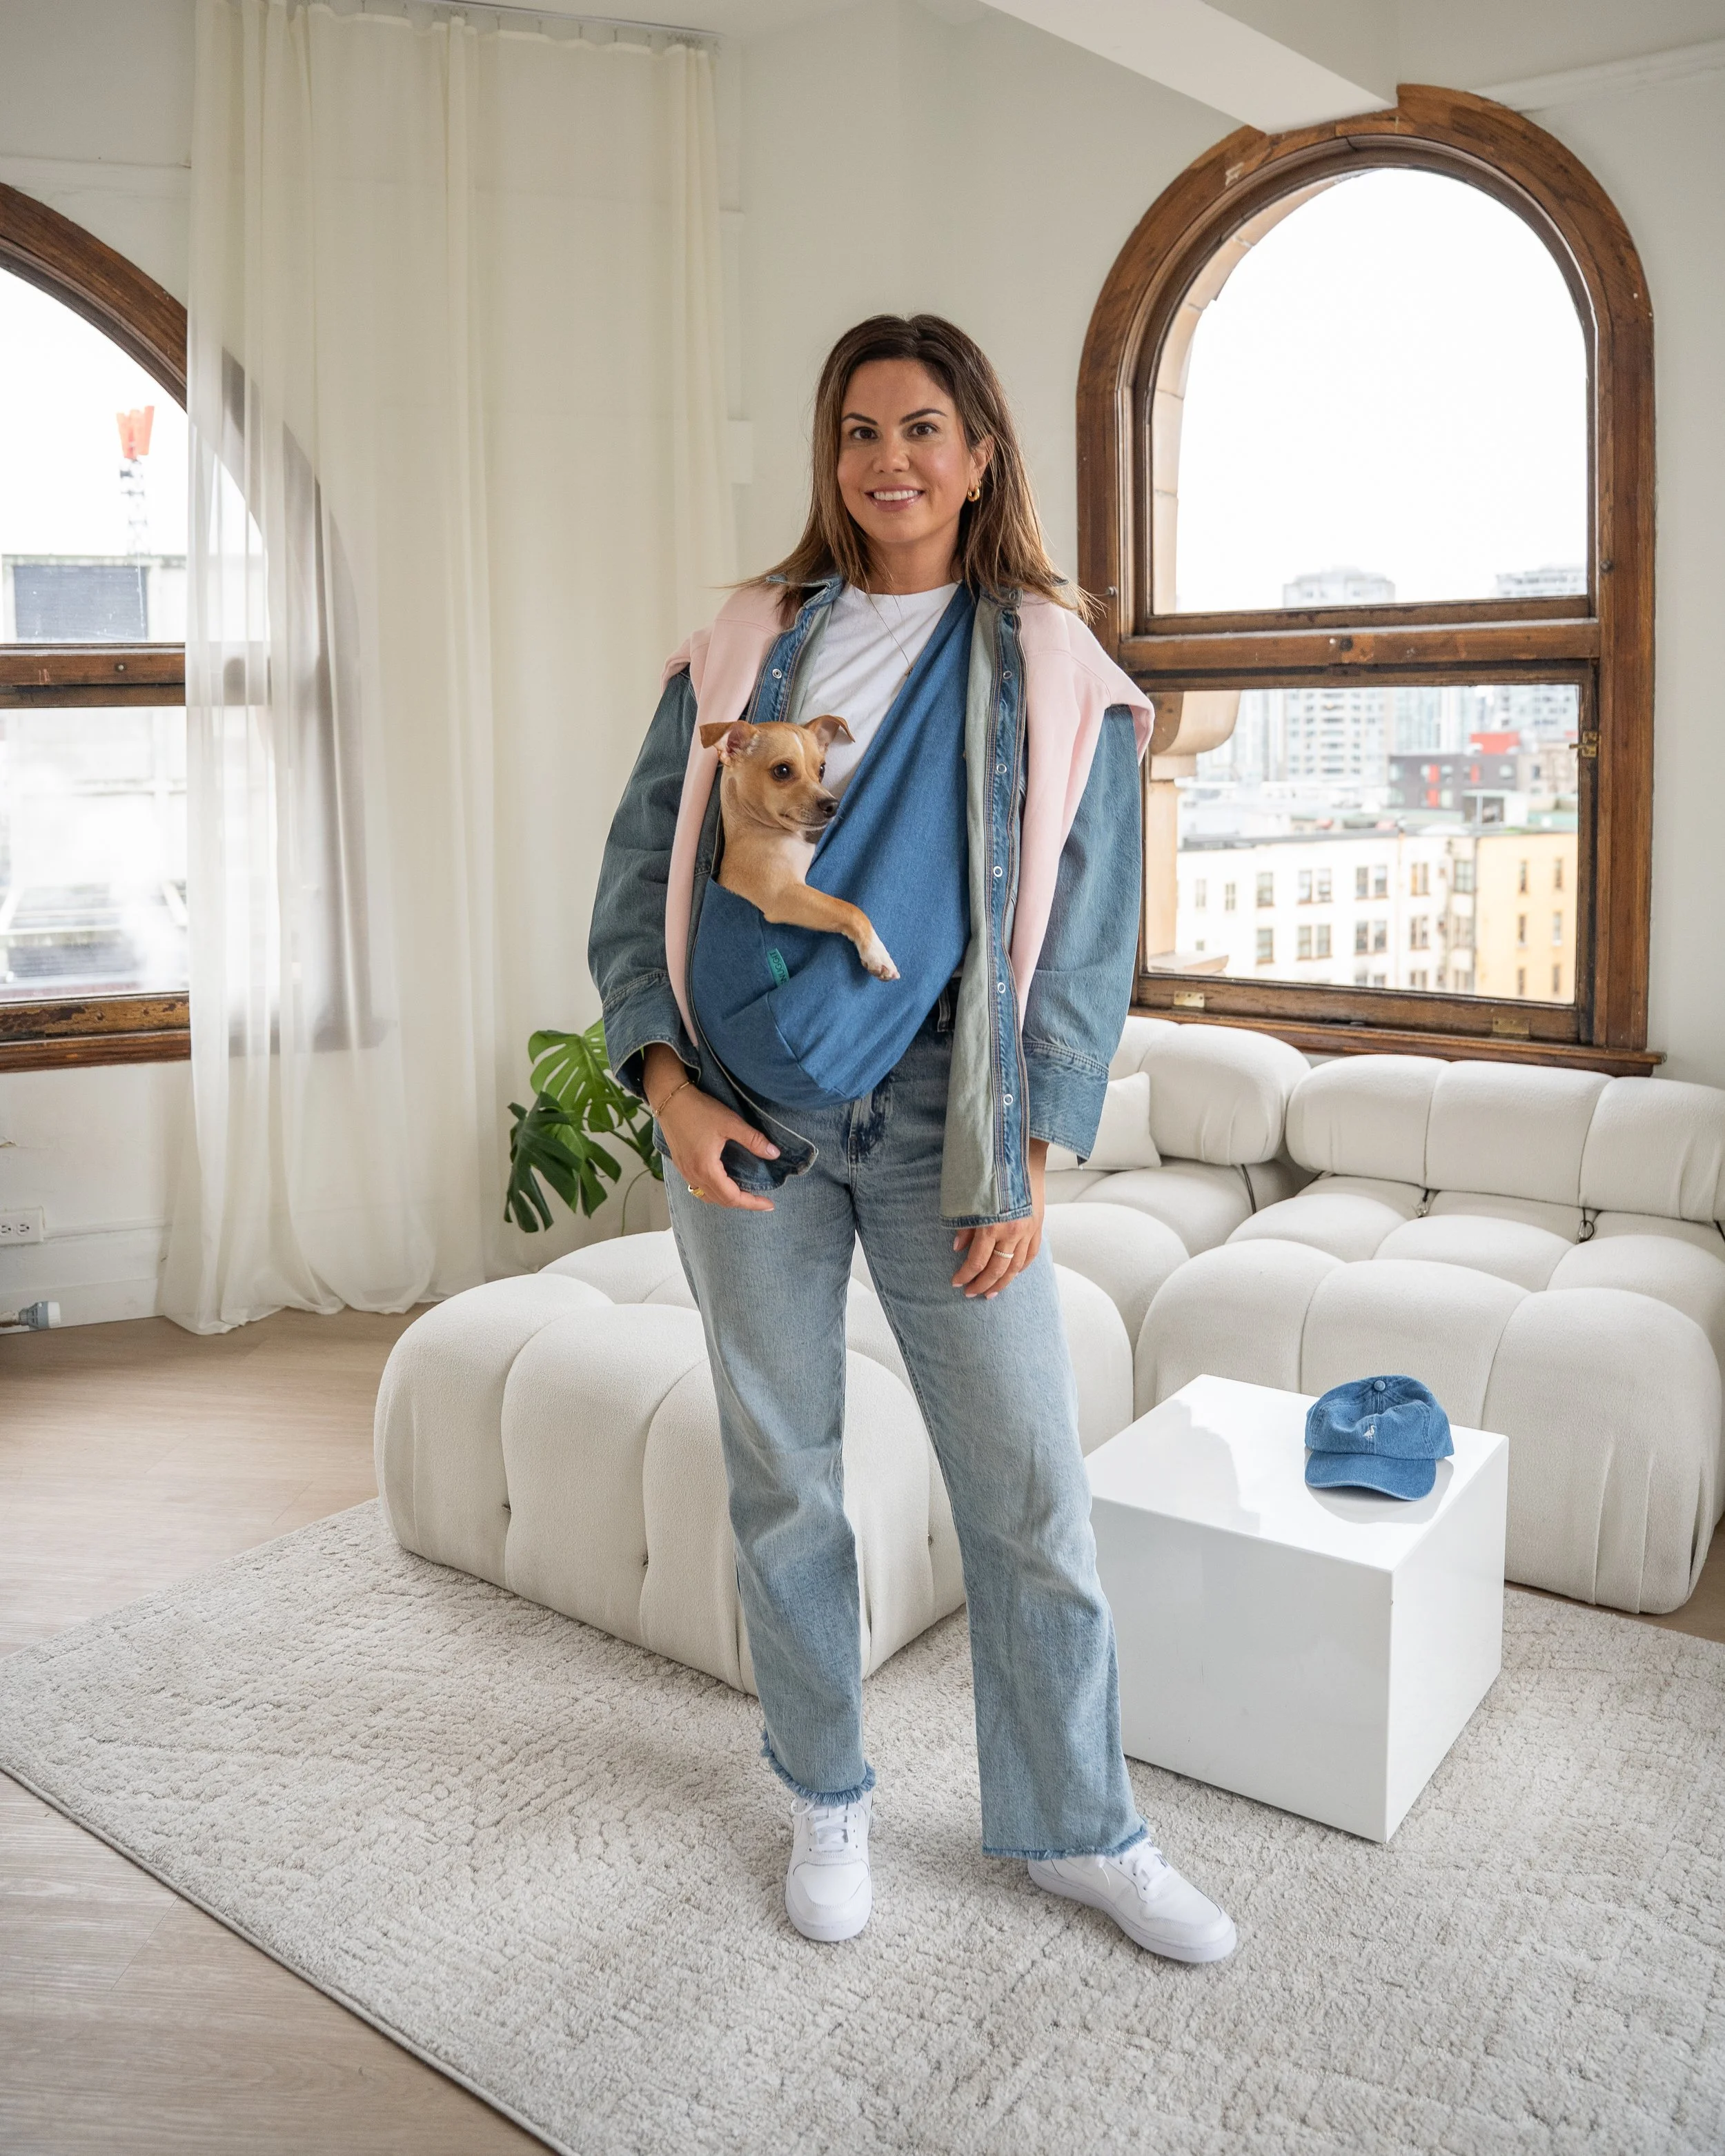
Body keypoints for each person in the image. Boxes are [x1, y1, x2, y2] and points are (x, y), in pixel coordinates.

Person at [589, 314, 1236, 1963]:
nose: (889, 460)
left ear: (980, 452)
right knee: (784, 1472)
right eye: (859, 430)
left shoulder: (1048, 658)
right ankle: (825, 1789)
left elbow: (1085, 933)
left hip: (951, 1116)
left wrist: (1029, 1148)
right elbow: (632, 883)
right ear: (832, 456)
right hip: (749, 1119)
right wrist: (664, 1088)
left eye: (923, 428)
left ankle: (1079, 1826)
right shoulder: (745, 645)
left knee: (1026, 1489)